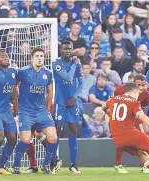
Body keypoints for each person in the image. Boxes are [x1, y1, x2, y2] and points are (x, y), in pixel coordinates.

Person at [12, 48, 58, 174]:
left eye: (42, 56)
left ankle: (46, 165)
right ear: (32, 58)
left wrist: (48, 108)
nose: (39, 58)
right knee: (26, 140)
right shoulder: (23, 71)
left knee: (53, 138)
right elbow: (13, 86)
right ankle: (16, 166)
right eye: (37, 56)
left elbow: (50, 91)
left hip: (41, 111)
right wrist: (15, 104)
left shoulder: (48, 73)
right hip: (25, 111)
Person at [53, 41, 84, 173]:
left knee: (73, 131)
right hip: (60, 102)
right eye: (65, 49)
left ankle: (73, 164)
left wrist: (74, 97)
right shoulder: (56, 63)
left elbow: (81, 83)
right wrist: (75, 64)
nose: (67, 51)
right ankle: (53, 161)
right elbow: (68, 76)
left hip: (72, 103)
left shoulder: (76, 63)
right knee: (57, 131)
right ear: (60, 49)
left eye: (69, 49)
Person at [113, 75, 149, 174]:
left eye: (143, 85)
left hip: (135, 116)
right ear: (133, 83)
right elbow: (113, 103)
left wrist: (142, 121)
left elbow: (143, 108)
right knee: (121, 139)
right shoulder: (121, 89)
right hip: (121, 117)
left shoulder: (145, 94)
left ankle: (145, 165)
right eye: (139, 85)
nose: (141, 88)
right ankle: (118, 164)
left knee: (145, 134)